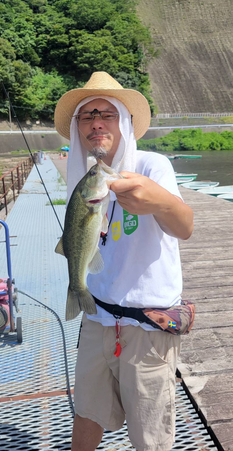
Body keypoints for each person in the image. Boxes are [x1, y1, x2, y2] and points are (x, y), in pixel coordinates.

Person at [54, 71, 193, 451]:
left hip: (147, 327)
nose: (96, 122)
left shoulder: (152, 167)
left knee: (151, 434)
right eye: (86, 116)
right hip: (97, 319)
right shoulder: (84, 176)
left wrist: (158, 200)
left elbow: (185, 227)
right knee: (86, 413)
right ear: (78, 127)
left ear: (124, 120)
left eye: (106, 113)